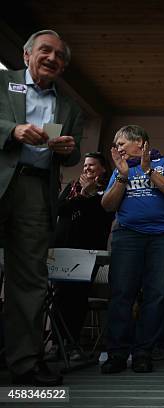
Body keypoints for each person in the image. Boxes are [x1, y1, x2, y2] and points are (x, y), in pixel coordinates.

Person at [0, 29, 83, 386]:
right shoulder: (3, 83)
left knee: (30, 279)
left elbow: (75, 153)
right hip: (2, 175)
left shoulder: (69, 107)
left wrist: (68, 149)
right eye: (45, 51)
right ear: (26, 54)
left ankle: (24, 361)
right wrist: (12, 130)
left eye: (59, 56)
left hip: (36, 188)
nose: (52, 58)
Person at [100, 125, 164, 374]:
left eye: (122, 144)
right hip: (128, 236)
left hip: (162, 237)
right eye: (116, 145)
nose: (118, 149)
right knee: (121, 294)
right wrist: (123, 176)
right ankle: (116, 354)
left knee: (155, 294)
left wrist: (148, 171)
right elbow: (107, 205)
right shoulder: (120, 170)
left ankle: (143, 352)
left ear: (141, 143)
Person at [52, 152, 115, 359]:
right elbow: (60, 209)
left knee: (77, 297)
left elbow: (102, 216)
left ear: (103, 169)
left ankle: (71, 344)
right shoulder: (72, 186)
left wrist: (88, 196)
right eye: (85, 165)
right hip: (62, 249)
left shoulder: (106, 190)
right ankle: (56, 343)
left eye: (92, 165)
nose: (87, 168)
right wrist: (81, 195)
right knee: (59, 297)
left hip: (87, 251)